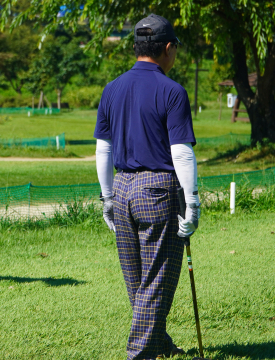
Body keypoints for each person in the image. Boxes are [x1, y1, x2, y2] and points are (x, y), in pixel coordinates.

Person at [94, 14, 201, 359]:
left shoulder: (112, 88)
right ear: (167, 49)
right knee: (155, 283)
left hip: (122, 187)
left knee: (139, 282)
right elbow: (181, 153)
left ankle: (159, 345)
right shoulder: (172, 91)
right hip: (158, 189)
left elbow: (103, 149)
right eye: (175, 50)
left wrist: (107, 196)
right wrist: (193, 201)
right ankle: (139, 354)